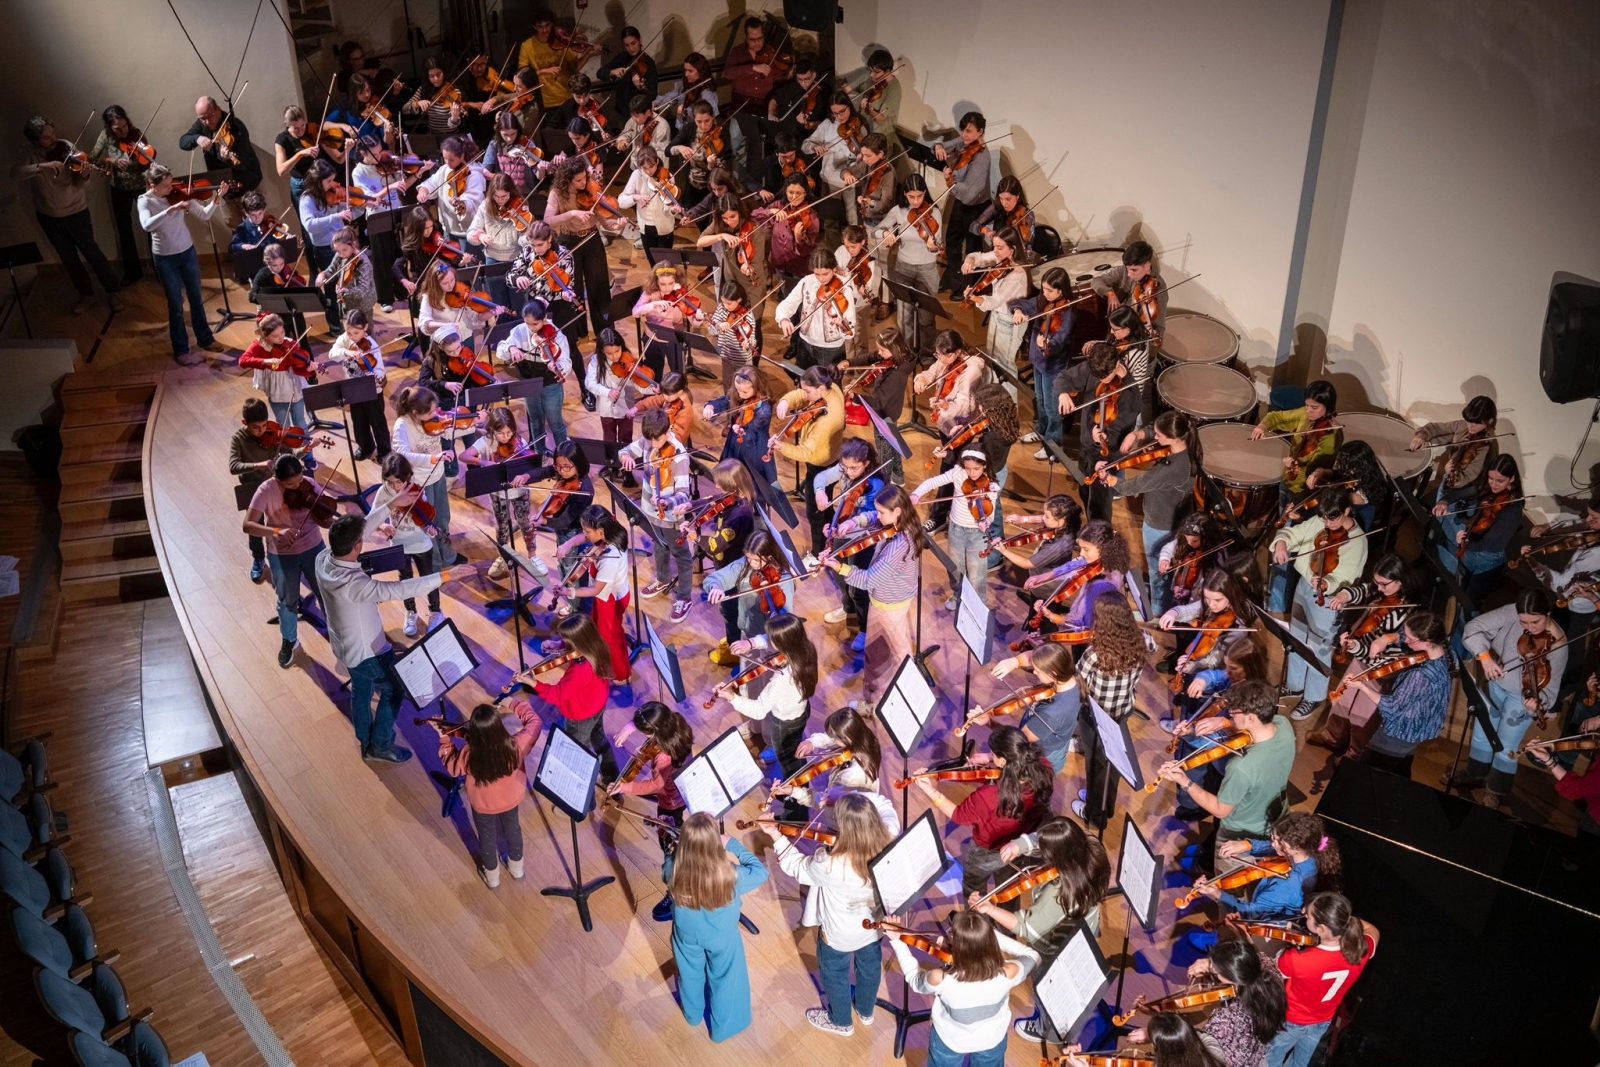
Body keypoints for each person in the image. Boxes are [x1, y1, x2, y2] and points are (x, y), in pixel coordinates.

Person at [1000, 594, 1148, 824]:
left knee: (1096, 763)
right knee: (1110, 763)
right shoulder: (1143, 639)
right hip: (1123, 708)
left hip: (1097, 715)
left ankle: (1095, 814)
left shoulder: (1095, 654)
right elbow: (1153, 645)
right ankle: (1105, 806)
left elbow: (1073, 680)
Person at [316, 515, 445, 762]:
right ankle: (381, 746)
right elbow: (398, 590)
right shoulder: (354, 583)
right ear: (357, 546)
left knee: (361, 694)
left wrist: (391, 502)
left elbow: (364, 524)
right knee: (394, 690)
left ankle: (365, 740)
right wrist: (443, 577)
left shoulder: (321, 559)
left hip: (344, 647)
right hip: (368, 652)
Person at [971, 816, 1109, 1042]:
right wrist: (1020, 844)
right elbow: (1050, 837)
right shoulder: (1090, 846)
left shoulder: (1060, 894)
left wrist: (989, 909)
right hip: (1084, 929)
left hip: (1055, 944)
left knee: (1046, 986)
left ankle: (1048, 1030)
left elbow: (1027, 927)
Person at [771, 792, 892, 1036]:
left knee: (835, 974)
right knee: (869, 968)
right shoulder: (888, 838)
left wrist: (775, 834)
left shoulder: (830, 862)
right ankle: (865, 1011)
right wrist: (853, 803)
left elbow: (797, 868)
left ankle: (840, 1022)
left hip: (839, 934)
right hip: (873, 928)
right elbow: (885, 804)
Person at [882, 907, 1040, 1067]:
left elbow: (915, 981)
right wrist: (988, 935)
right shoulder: (1008, 973)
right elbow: (1033, 956)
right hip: (992, 1040)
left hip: (950, 1041)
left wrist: (897, 940)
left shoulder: (941, 977)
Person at [1157, 681, 1297, 859]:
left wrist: (1184, 781)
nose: (1230, 713)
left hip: (1240, 829)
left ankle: (1206, 863)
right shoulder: (1283, 725)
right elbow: (1249, 730)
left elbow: (1220, 809)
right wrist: (1222, 723)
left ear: (1251, 717)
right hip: (1276, 813)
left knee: (1223, 861)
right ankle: (1206, 855)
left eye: (1234, 711)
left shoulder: (1241, 767)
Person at [818, 484, 925, 711]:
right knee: (897, 651)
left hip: (888, 606)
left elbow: (868, 581)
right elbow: (869, 518)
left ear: (897, 511)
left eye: (882, 512)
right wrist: (848, 525)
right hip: (893, 601)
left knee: (879, 658)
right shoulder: (899, 523)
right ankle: (907, 691)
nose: (877, 516)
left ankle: (876, 705)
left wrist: (839, 568)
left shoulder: (898, 545)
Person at [915, 725, 1054, 897]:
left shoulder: (988, 796)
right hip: (1020, 844)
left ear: (1003, 760)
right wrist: (990, 758)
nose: (991, 755)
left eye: (993, 753)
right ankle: (1003, 921)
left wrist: (930, 790)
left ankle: (975, 921)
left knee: (973, 889)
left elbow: (959, 815)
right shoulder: (1044, 767)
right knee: (1007, 890)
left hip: (989, 850)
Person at [1453, 593, 1563, 802]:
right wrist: (1484, 657)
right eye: (1524, 622)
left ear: (1547, 615)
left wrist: (1538, 704)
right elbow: (1472, 628)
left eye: (1536, 621)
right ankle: (1475, 774)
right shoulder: (1510, 611)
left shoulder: (1558, 644)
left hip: (1521, 696)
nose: (1529, 628)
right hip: (1495, 683)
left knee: (1506, 746)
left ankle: (1496, 790)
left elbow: (1551, 687)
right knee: (1482, 732)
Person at [1270, 488, 1368, 723]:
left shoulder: (1357, 541)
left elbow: (1348, 576)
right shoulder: (1319, 520)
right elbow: (1293, 534)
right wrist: (1282, 542)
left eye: (1332, 518)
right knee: (1297, 637)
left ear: (1346, 510)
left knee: (1319, 647)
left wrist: (1326, 582)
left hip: (1328, 599)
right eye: (1324, 517)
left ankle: (1314, 696)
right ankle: (1294, 685)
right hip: (1304, 586)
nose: (1326, 522)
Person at [670, 813, 769, 1042]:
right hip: (721, 937)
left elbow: (666, 867)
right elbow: (760, 872)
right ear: (716, 843)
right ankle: (722, 1029)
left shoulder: (673, 868)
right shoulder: (732, 875)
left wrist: (671, 847)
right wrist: (732, 843)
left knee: (689, 972)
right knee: (725, 977)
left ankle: (693, 1014)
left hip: (686, 933)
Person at [1312, 554, 1419, 756]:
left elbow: (1384, 653)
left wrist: (1355, 647)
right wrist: (1345, 595)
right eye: (1377, 582)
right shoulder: (1380, 591)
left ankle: (1354, 751)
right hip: (1362, 655)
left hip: (1380, 667)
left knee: (1362, 712)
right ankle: (1333, 736)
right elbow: (1363, 590)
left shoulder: (1406, 613)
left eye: (1384, 584)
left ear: (1400, 581)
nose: (1378, 588)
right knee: (1343, 698)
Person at [717, 614, 819, 821]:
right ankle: (793, 790)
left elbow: (758, 710)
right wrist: (751, 643)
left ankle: (796, 815)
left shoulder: (782, 679)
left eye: (771, 639)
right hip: (800, 712)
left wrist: (732, 697)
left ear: (782, 643)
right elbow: (772, 638)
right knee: (794, 759)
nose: (767, 640)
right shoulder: (806, 648)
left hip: (784, 725)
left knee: (790, 766)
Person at [1102, 411, 1202, 615]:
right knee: (1164, 567)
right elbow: (1152, 430)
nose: (1154, 439)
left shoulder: (1170, 470)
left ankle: (1157, 611)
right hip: (1176, 516)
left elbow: (1133, 485)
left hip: (1160, 523)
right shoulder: (1189, 449)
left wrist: (1110, 479)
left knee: (1159, 571)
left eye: (1158, 436)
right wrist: (1137, 435)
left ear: (1173, 438)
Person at [1263, 893, 1379, 1067]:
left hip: (1291, 1021)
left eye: (1308, 915)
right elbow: (1373, 931)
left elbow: (1272, 971)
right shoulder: (1361, 951)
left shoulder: (1297, 959)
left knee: (1269, 1060)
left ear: (1322, 928)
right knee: (1300, 1064)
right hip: (1322, 1022)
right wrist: (1341, 918)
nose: (1304, 914)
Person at [434, 699, 539, 887]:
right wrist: (514, 703)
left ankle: (492, 877)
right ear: (499, 726)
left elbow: (451, 766)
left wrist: (444, 738)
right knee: (513, 828)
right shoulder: (516, 745)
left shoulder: (469, 754)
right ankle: (517, 868)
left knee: (487, 836)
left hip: (484, 804)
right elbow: (535, 723)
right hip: (511, 798)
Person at [1189, 811, 1342, 936]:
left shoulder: (1286, 887)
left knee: (1237, 926)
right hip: (1274, 903)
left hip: (1267, 922)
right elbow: (1274, 848)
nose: (1272, 843)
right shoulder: (1309, 853)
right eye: (1273, 838)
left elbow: (1249, 912)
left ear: (1296, 847)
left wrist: (1217, 894)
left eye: (1277, 841)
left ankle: (1221, 937)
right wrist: (1247, 845)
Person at [242, 455, 329, 670]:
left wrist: (324, 514)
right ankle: (289, 640)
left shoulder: (308, 484)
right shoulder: (266, 490)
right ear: (277, 479)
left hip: (314, 547)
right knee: (286, 599)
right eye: (290, 484)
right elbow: (248, 525)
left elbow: (325, 518)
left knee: (326, 593)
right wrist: (275, 531)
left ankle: (338, 632)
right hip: (281, 553)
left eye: (299, 480)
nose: (297, 486)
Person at [137, 164, 231, 363]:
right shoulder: (145, 201)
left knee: (196, 298)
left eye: (171, 183)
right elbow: (146, 225)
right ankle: (180, 348)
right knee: (176, 305)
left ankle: (205, 339)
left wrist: (217, 197)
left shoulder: (180, 194)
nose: (171, 188)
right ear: (151, 185)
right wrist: (170, 210)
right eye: (165, 186)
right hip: (165, 258)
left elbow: (204, 214)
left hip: (187, 252)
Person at [610, 701, 694, 920]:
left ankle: (675, 892)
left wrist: (625, 787)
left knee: (670, 846)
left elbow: (656, 786)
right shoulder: (677, 721)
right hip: (684, 787)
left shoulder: (663, 757)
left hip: (671, 801)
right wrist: (630, 726)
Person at [1159, 940, 1287, 1067]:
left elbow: (1197, 1050)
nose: (1214, 971)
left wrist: (1160, 1034)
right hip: (1258, 1056)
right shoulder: (1270, 973)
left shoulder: (1225, 1019)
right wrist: (1209, 965)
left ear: (1230, 975)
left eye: (1216, 971)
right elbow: (1259, 957)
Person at [619, 408, 694, 622]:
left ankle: (684, 597)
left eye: (657, 439)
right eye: (649, 439)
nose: (653, 444)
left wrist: (666, 501)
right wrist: (625, 458)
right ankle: (662, 578)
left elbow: (683, 494)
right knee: (659, 545)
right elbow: (623, 451)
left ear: (668, 430)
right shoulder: (647, 441)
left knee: (681, 555)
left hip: (670, 514)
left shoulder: (679, 456)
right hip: (649, 509)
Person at [1056, 342, 1142, 521]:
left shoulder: (1129, 394)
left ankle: (1099, 541)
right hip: (1086, 447)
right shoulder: (1097, 366)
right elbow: (1064, 377)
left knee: (1099, 508)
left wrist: (1103, 438)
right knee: (1084, 492)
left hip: (1105, 458)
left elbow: (1119, 432)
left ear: (1117, 363)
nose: (1102, 380)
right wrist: (1063, 393)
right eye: (1098, 377)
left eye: (1106, 376)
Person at [551, 506, 632, 688]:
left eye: (587, 531)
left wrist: (568, 592)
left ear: (600, 531)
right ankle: (586, 655)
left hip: (611, 599)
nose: (585, 534)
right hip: (607, 596)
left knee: (610, 637)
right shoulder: (610, 533)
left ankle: (619, 673)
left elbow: (595, 589)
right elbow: (585, 537)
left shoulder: (610, 558)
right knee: (597, 630)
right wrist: (568, 544)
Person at [229, 398, 308, 584]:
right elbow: (233, 466)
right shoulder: (238, 439)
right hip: (252, 487)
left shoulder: (274, 433)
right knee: (256, 527)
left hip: (275, 485)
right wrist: (258, 465)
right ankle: (258, 559)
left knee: (286, 520)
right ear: (244, 423)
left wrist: (306, 449)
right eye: (256, 427)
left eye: (264, 425)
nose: (262, 431)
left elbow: (291, 455)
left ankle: (291, 554)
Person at [969, 643, 1080, 774]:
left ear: (1052, 673)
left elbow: (1017, 742)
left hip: (1038, 761)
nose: (1034, 672)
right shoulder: (1070, 675)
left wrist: (988, 723)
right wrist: (1014, 662)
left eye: (1037, 671)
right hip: (1054, 745)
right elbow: (1035, 655)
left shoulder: (1050, 715)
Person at [911, 449, 1001, 609]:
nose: (971, 473)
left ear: (984, 466)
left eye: (976, 469)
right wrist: (916, 494)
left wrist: (985, 521)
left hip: (977, 534)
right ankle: (957, 595)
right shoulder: (958, 473)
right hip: (956, 529)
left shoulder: (991, 486)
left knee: (976, 573)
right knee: (955, 567)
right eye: (968, 468)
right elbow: (932, 482)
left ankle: (977, 604)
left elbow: (990, 513)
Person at [366, 454, 442, 637]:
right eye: (390, 482)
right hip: (399, 543)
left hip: (421, 543)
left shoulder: (415, 487)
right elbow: (373, 516)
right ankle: (411, 612)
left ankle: (436, 611)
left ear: (407, 476)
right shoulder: (384, 492)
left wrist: (429, 528)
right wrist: (384, 525)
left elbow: (424, 515)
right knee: (405, 580)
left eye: (398, 482)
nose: (395, 487)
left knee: (428, 577)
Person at [773, 365, 847, 550]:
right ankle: (831, 537)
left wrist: (782, 446)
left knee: (815, 511)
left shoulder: (827, 420)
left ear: (820, 388)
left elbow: (806, 452)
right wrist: (785, 401)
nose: (804, 394)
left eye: (807, 390)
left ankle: (817, 552)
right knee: (826, 504)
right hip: (827, 456)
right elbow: (801, 395)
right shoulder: (832, 387)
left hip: (822, 463)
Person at [784, 707, 897, 828]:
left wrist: (794, 792)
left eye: (836, 738)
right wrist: (813, 742)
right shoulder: (865, 739)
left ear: (847, 737)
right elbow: (831, 737)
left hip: (841, 824)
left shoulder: (851, 777)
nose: (833, 740)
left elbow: (824, 801)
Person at [1434, 452, 1523, 603]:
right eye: (1491, 478)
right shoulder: (1487, 488)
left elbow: (1487, 544)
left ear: (1512, 478)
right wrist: (1445, 501)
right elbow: (1462, 493)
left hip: (1486, 557)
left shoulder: (1512, 512)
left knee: (1466, 601)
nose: (1493, 485)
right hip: (1473, 543)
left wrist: (1465, 543)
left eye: (1500, 481)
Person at [542, 156, 612, 339]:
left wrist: (614, 224)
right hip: (569, 241)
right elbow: (548, 220)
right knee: (574, 289)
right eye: (578, 180)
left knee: (598, 286)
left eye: (584, 178)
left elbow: (602, 216)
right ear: (567, 180)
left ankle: (604, 330)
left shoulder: (591, 187)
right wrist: (571, 214)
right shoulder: (557, 193)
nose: (583, 183)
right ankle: (578, 331)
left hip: (592, 238)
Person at [390, 385, 459, 567]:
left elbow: (452, 427)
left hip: (438, 475)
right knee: (429, 522)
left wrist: (477, 422)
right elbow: (402, 454)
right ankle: (435, 564)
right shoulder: (402, 426)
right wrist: (433, 458)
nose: (434, 415)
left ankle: (448, 555)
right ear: (415, 412)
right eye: (429, 413)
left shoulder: (433, 418)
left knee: (443, 517)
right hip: (420, 481)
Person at [1009, 266, 1073, 452]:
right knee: (1040, 400)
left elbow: (1061, 337)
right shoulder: (1042, 301)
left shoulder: (1068, 311)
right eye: (1043, 289)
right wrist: (1018, 311)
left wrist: (1048, 342)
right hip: (1038, 361)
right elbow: (1018, 303)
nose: (1045, 293)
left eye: (1049, 290)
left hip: (1053, 365)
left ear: (1061, 290)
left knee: (1052, 406)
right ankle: (1041, 431)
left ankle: (1053, 444)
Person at [877, 174, 942, 353]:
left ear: (924, 193)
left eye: (920, 196)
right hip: (903, 267)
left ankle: (928, 352)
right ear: (904, 194)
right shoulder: (898, 211)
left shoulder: (934, 212)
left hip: (927, 269)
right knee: (904, 316)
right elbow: (877, 230)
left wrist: (933, 247)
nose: (916, 201)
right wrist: (885, 234)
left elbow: (937, 246)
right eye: (911, 196)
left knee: (926, 317)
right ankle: (907, 352)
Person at [88, 105, 152, 286]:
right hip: (119, 189)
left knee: (151, 228)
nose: (123, 131)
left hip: (142, 187)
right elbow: (92, 158)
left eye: (124, 126)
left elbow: (148, 161)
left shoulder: (136, 133)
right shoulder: (105, 136)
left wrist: (142, 155)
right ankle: (133, 273)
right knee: (124, 231)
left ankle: (160, 270)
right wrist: (112, 160)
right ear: (110, 127)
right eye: (118, 128)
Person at [845, 326, 918, 482]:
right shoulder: (894, 359)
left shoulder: (896, 375)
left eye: (882, 350)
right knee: (893, 444)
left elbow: (879, 404)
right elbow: (871, 357)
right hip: (890, 412)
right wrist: (849, 362)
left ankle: (883, 484)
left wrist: (855, 397)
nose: (879, 353)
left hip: (884, 415)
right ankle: (898, 476)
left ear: (894, 349)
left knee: (884, 451)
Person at [959, 226, 1030, 385]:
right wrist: (970, 260)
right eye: (994, 247)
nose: (995, 251)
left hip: (1010, 322)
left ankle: (1009, 407)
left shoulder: (1018, 274)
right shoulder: (1001, 259)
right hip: (998, 316)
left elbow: (995, 301)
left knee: (1005, 369)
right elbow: (980, 257)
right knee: (992, 362)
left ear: (1012, 249)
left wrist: (975, 298)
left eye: (1000, 248)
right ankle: (993, 401)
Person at [178, 96, 262, 224]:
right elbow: (183, 142)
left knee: (256, 225)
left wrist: (229, 159)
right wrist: (197, 138)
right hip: (224, 190)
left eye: (209, 117)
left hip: (247, 186)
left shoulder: (236, 128)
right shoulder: (201, 125)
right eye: (202, 119)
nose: (206, 122)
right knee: (234, 226)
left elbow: (244, 164)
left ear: (217, 110)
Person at [933, 111, 991, 294]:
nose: (964, 135)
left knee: (972, 248)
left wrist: (950, 181)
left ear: (980, 132)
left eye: (969, 131)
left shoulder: (981, 157)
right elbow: (940, 145)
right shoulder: (965, 142)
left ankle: (968, 287)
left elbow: (970, 192)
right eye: (963, 130)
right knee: (952, 241)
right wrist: (938, 147)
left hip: (976, 205)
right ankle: (953, 279)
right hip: (961, 201)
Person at [298, 160, 355, 330]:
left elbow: (344, 211)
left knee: (346, 284)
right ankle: (335, 327)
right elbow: (309, 225)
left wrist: (363, 204)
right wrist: (336, 217)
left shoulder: (327, 194)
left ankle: (349, 321)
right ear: (318, 179)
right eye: (328, 181)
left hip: (341, 245)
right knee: (331, 288)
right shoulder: (307, 199)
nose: (332, 185)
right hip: (325, 249)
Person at [776, 248, 855, 368]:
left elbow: (850, 325)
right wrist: (783, 319)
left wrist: (842, 325)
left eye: (825, 274)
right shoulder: (806, 282)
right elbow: (787, 303)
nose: (821, 279)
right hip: (805, 342)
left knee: (830, 384)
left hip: (830, 349)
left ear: (834, 269)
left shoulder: (844, 288)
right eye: (817, 274)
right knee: (804, 381)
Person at [1409, 394, 1500, 495]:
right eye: (1468, 421)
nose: (1470, 426)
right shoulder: (1463, 426)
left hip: (1467, 492)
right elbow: (1438, 428)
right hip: (1450, 480)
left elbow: (1467, 477)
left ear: (1490, 421)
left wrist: (1450, 473)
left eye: (1476, 423)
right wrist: (1421, 436)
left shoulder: (1486, 446)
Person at [237, 314, 312, 431]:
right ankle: (286, 449)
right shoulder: (259, 346)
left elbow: (298, 369)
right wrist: (265, 361)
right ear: (264, 336)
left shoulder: (291, 344)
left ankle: (307, 449)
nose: (281, 338)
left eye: (282, 332)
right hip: (276, 392)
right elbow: (243, 361)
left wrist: (308, 369)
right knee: (282, 425)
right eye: (275, 336)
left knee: (300, 422)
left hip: (294, 389)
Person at [416, 135, 487, 259]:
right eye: (445, 159)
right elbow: (429, 184)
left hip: (468, 234)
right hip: (448, 231)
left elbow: (474, 201)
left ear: (462, 156)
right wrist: (423, 191)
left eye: (451, 160)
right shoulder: (444, 170)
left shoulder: (474, 175)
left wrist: (462, 204)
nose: (447, 163)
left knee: (470, 270)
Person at [633, 264, 704, 378]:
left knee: (677, 376)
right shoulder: (650, 293)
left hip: (674, 341)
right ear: (656, 281)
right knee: (654, 374)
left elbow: (694, 322)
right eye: (663, 284)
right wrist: (653, 304)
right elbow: (635, 312)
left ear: (676, 281)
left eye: (671, 283)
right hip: (653, 339)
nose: (667, 288)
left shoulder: (680, 294)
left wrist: (699, 318)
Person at [704, 366, 774, 483]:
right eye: (737, 390)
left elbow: (754, 432)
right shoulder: (738, 395)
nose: (740, 395)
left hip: (753, 451)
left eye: (744, 392)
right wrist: (711, 407)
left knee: (748, 484)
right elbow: (724, 401)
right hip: (734, 443)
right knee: (728, 480)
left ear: (756, 387)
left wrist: (741, 430)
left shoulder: (764, 409)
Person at [1090, 239, 1165, 337]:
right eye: (1127, 269)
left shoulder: (1159, 288)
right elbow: (1096, 281)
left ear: (1147, 266)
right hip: (1117, 327)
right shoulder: (1125, 270)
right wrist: (1110, 293)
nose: (1129, 274)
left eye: (1134, 270)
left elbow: (1159, 327)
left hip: (1136, 336)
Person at [618, 144, 683, 253]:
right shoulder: (636, 175)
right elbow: (621, 201)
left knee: (665, 266)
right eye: (645, 168)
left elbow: (667, 209)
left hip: (664, 228)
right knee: (653, 264)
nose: (648, 172)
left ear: (657, 161)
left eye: (651, 167)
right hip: (645, 228)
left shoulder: (667, 176)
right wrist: (635, 197)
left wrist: (672, 210)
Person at [835, 223, 882, 356]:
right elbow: (834, 269)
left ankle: (859, 367)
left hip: (860, 304)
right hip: (843, 301)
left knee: (859, 336)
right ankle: (849, 363)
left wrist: (864, 290)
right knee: (847, 335)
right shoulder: (840, 251)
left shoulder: (869, 261)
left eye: (853, 247)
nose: (850, 250)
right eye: (847, 246)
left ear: (862, 242)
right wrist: (835, 270)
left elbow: (870, 286)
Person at [315, 226, 376, 325]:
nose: (341, 254)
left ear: (353, 244)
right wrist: (322, 275)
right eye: (338, 251)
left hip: (362, 306)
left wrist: (347, 292)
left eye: (344, 250)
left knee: (365, 334)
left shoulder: (364, 263)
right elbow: (331, 270)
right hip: (345, 302)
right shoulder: (340, 254)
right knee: (347, 330)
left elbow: (363, 290)